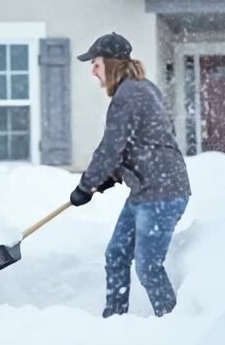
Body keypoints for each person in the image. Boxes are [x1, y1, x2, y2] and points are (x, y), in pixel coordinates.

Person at [70, 32, 191, 318]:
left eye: (96, 63)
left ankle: (174, 325)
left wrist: (86, 186)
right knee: (117, 255)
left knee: (148, 267)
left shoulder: (129, 94)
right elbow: (135, 142)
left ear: (110, 64)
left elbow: (111, 147)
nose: (93, 70)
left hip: (162, 192)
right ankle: (115, 320)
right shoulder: (141, 88)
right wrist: (111, 175)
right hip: (147, 189)